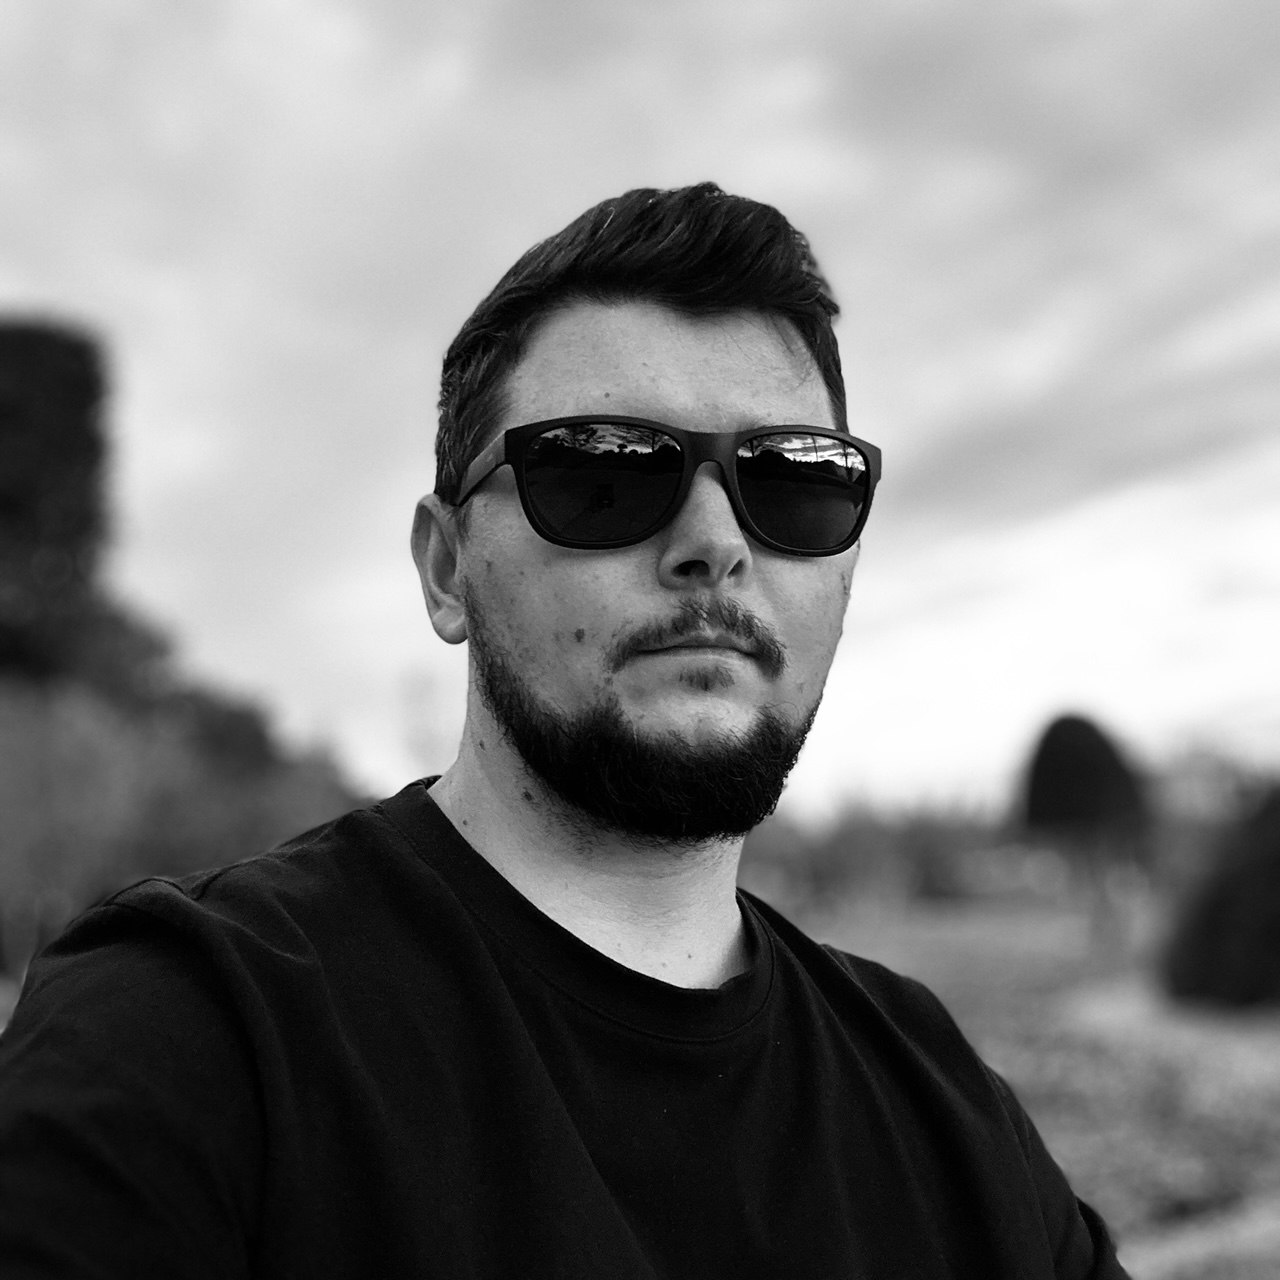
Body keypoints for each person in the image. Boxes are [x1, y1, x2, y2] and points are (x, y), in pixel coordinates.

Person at [0, 183, 1130, 1278]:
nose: (716, 543)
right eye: (603, 472)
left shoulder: (943, 1108)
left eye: (795, 481)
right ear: (446, 569)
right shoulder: (185, 1040)